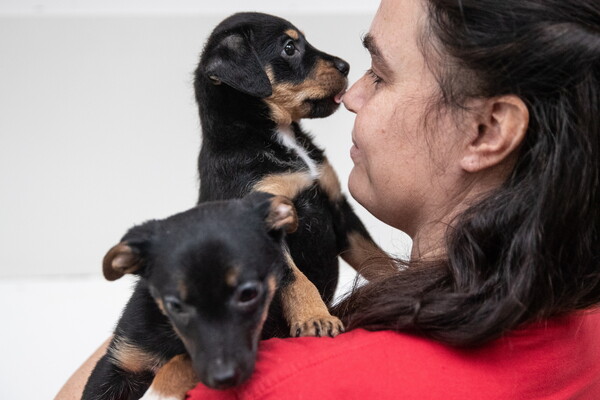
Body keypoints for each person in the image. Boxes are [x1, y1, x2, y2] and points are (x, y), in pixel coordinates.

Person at [57, 0, 600, 398]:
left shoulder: (288, 384)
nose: (352, 94)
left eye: (381, 75)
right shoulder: (588, 322)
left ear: (487, 130)